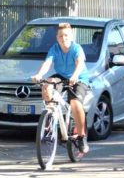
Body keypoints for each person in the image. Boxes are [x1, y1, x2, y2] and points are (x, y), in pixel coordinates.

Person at [31, 23, 92, 155]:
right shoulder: (54, 48)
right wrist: (39, 74)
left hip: (79, 77)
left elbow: (80, 63)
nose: (63, 38)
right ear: (57, 38)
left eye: (66, 35)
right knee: (46, 85)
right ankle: (50, 119)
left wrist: (74, 76)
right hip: (62, 76)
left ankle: (81, 137)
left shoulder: (76, 48)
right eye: (60, 36)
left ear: (71, 36)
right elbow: (47, 63)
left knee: (75, 102)